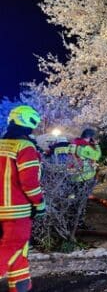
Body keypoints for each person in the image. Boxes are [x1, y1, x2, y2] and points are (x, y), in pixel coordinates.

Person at [0, 105, 45, 292]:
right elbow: (30, 183)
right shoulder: (24, 146)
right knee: (12, 247)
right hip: (16, 211)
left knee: (18, 252)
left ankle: (20, 286)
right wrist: (40, 204)